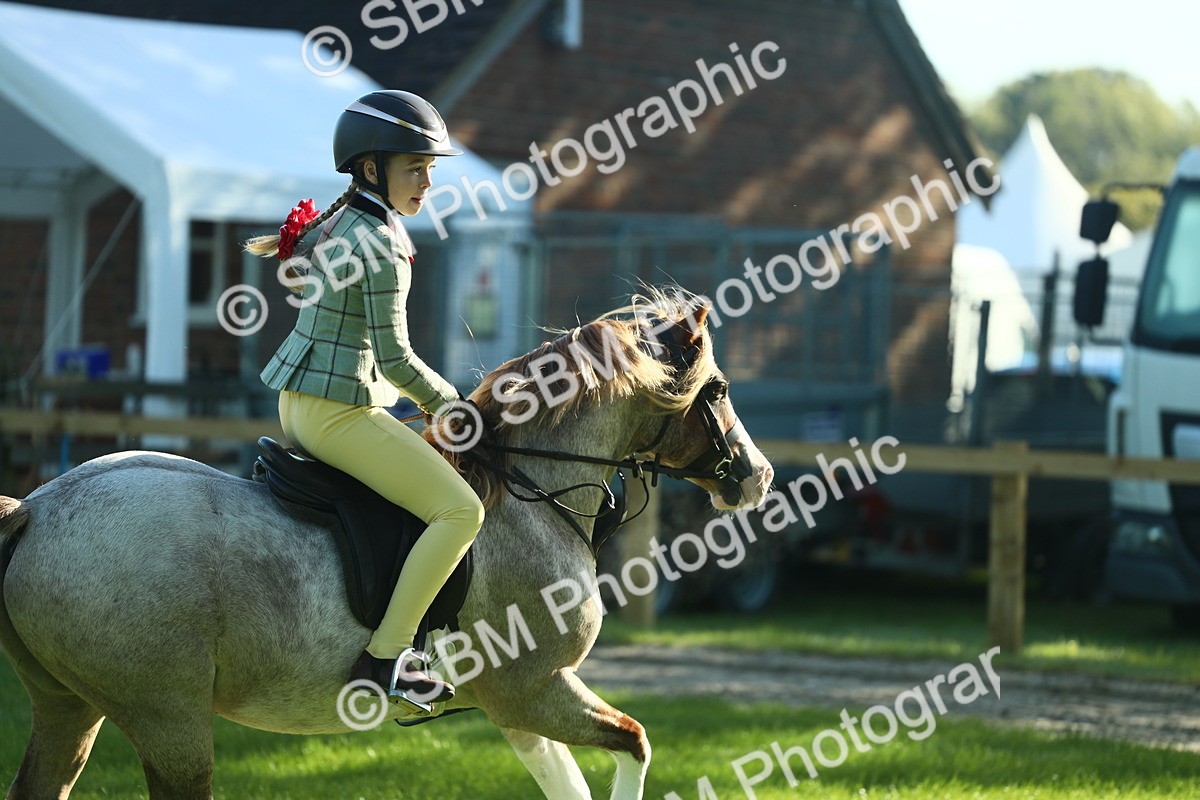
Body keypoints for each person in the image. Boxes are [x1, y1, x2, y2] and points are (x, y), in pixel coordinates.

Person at [246, 90, 484, 709]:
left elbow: (347, 341)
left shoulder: (338, 220)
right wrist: (448, 404)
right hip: (337, 416)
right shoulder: (383, 244)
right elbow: (396, 357)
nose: (427, 183)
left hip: (299, 404)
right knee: (461, 512)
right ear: (372, 169)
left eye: (431, 170)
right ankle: (390, 659)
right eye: (416, 168)